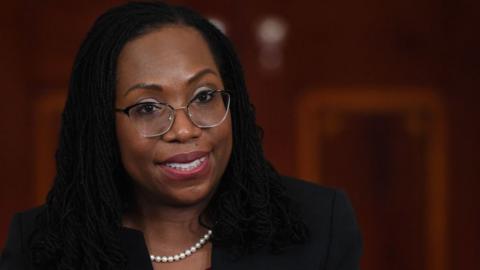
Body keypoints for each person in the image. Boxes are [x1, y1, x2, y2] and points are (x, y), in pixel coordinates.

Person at [0, 1, 362, 270]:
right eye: (147, 107)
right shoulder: (38, 248)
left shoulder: (319, 224)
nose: (185, 130)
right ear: (102, 125)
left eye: (204, 97)